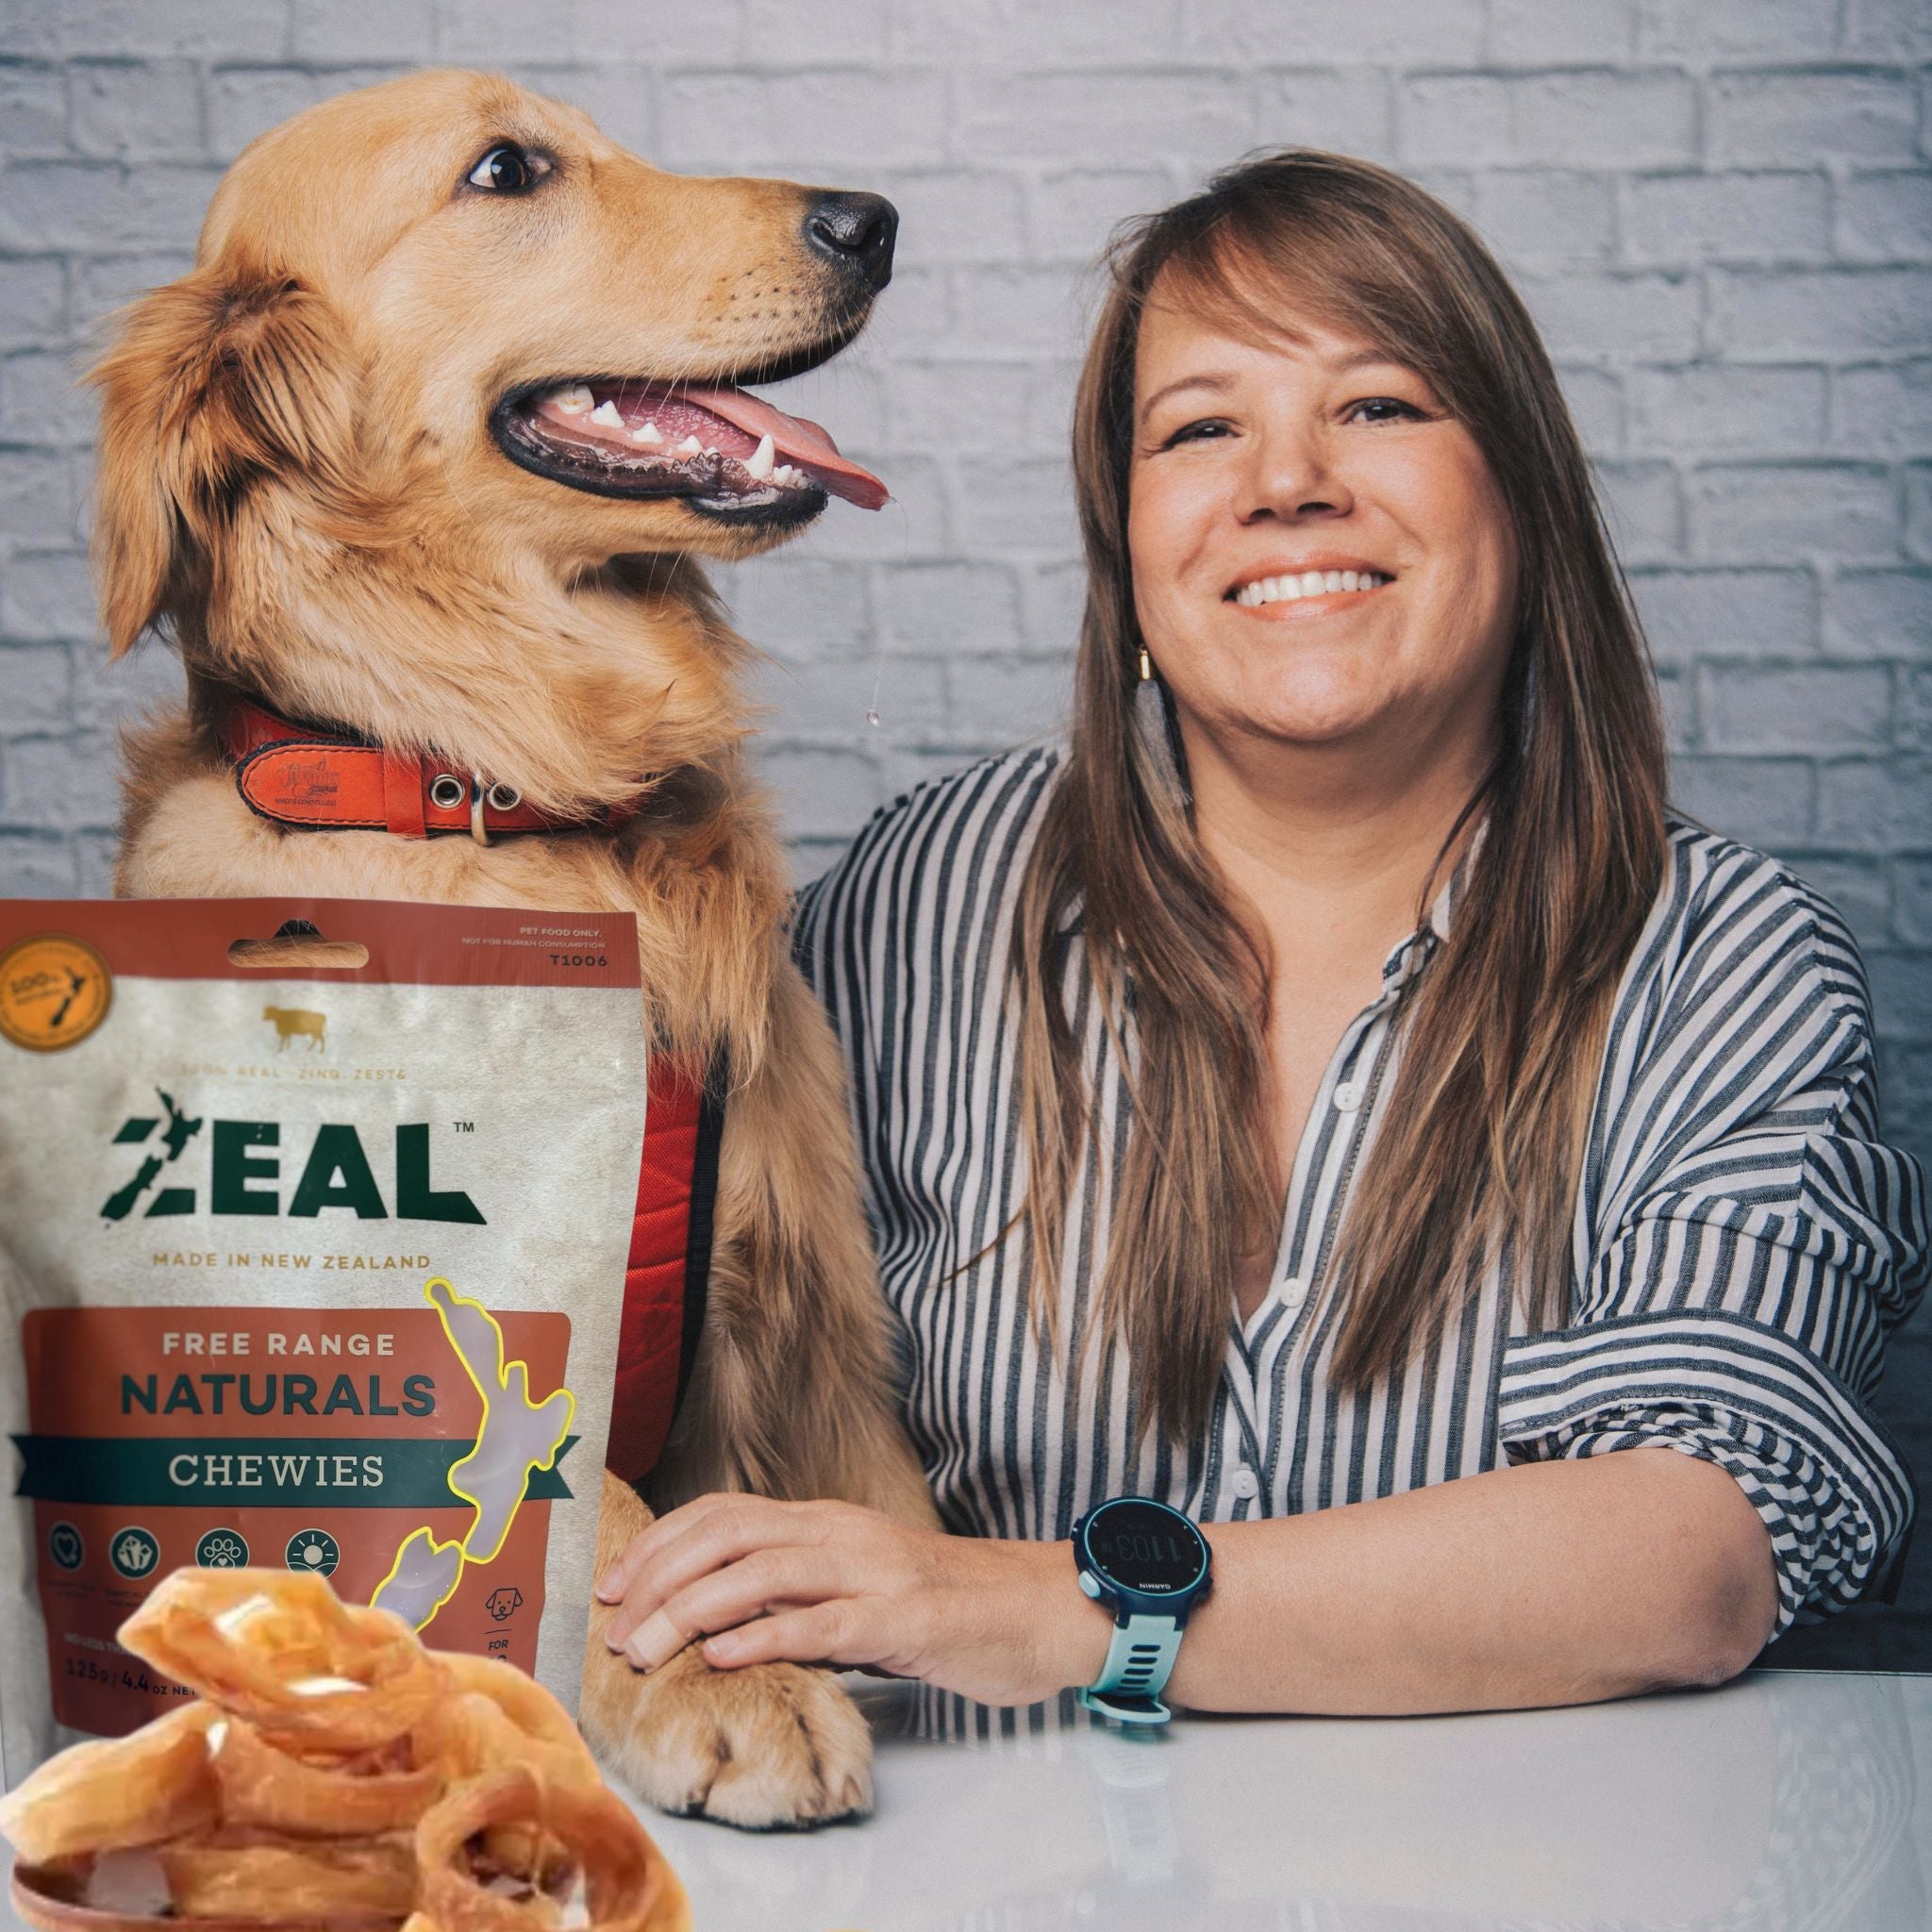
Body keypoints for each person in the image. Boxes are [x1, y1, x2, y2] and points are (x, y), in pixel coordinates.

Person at [595, 151, 1928, 1716]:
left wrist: (1048, 1607)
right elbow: (637, 1316)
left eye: (1379, 405)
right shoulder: (921, 902)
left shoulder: (1730, 971)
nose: (1285, 481)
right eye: (1202, 427)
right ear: (1131, 549)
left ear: (1523, 490)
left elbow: (1694, 1546)